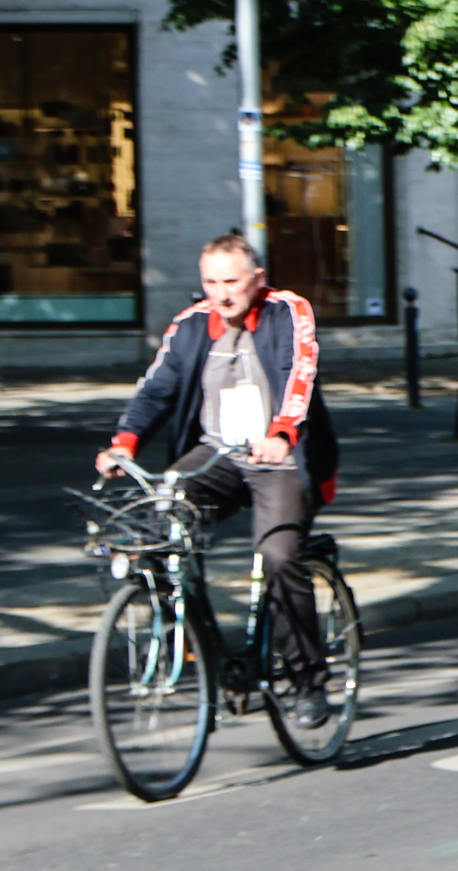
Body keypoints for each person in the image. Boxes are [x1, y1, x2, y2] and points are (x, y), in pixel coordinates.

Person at [93, 234, 340, 727]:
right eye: (211, 282)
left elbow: (299, 373)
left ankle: (308, 681)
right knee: (161, 513)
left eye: (232, 281)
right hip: (217, 453)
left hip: (280, 455)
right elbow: (156, 388)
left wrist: (283, 431)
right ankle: (193, 644)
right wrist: (125, 442)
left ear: (257, 280)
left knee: (278, 555)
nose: (222, 293)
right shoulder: (189, 327)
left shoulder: (286, 311)